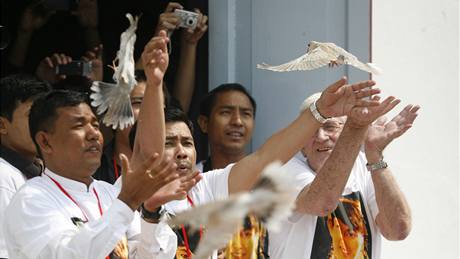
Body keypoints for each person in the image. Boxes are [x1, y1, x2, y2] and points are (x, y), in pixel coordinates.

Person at [130, 74, 387, 258]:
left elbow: (264, 158)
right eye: (169, 143)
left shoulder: (206, 186)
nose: (181, 152)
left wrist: (319, 111)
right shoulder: (123, 199)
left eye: (187, 142)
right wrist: (151, 212)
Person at [3, 31, 184, 259]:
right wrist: (126, 203)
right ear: (45, 141)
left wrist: (154, 83)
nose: (93, 134)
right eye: (79, 125)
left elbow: (153, 255)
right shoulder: (31, 198)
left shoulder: (109, 193)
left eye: (95, 125)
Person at [269, 93, 419, 259]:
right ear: (302, 146)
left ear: (345, 131)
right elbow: (322, 203)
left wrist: (375, 156)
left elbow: (397, 230)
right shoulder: (283, 172)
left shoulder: (365, 165)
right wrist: (357, 129)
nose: (320, 137)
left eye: (330, 127)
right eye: (311, 130)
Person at [197, 83, 269, 258]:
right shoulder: (192, 183)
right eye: (226, 112)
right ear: (204, 123)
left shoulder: (268, 183)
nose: (237, 121)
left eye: (246, 114)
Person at [0, 74, 51, 258]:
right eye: (32, 116)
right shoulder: (3, 176)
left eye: (45, 116)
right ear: (2, 125)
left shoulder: (41, 170)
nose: (42, 126)